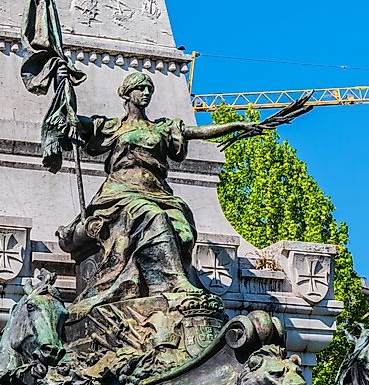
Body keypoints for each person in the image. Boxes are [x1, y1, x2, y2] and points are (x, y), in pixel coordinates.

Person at [62, 72, 271, 320]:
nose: (147, 93)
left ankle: (164, 284)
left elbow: (199, 132)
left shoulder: (162, 127)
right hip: (122, 193)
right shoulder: (112, 127)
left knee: (183, 232)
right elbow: (69, 119)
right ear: (127, 94)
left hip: (159, 192)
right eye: (141, 88)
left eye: (149, 89)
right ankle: (173, 285)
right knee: (152, 217)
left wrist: (236, 126)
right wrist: (63, 84)